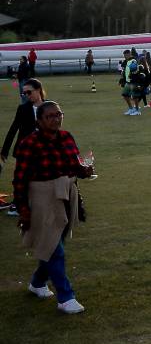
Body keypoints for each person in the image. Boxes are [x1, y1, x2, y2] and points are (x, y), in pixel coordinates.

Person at [13, 100, 93, 314]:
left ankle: (37, 282)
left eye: (59, 114)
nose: (56, 119)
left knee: (56, 243)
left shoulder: (67, 137)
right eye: (50, 116)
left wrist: (84, 171)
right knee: (55, 248)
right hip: (42, 198)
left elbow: (75, 164)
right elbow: (19, 179)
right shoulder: (29, 143)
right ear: (39, 120)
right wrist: (23, 208)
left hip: (66, 195)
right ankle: (66, 297)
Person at [2, 79, 46, 216]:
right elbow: (13, 129)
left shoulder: (49, 106)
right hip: (25, 151)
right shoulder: (23, 109)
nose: (26, 95)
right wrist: (4, 151)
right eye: (24, 93)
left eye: (29, 92)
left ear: (38, 90)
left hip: (44, 150)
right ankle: (15, 205)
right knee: (22, 178)